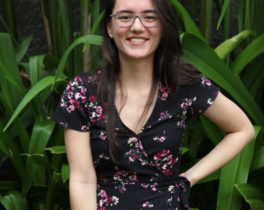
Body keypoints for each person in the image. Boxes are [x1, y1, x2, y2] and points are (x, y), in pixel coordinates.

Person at [53, 0, 255, 209]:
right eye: (125, 17)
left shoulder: (184, 85)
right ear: (109, 27)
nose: (137, 27)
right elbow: (82, 179)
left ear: (164, 27)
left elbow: (242, 130)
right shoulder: (82, 91)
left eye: (150, 17)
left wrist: (189, 178)